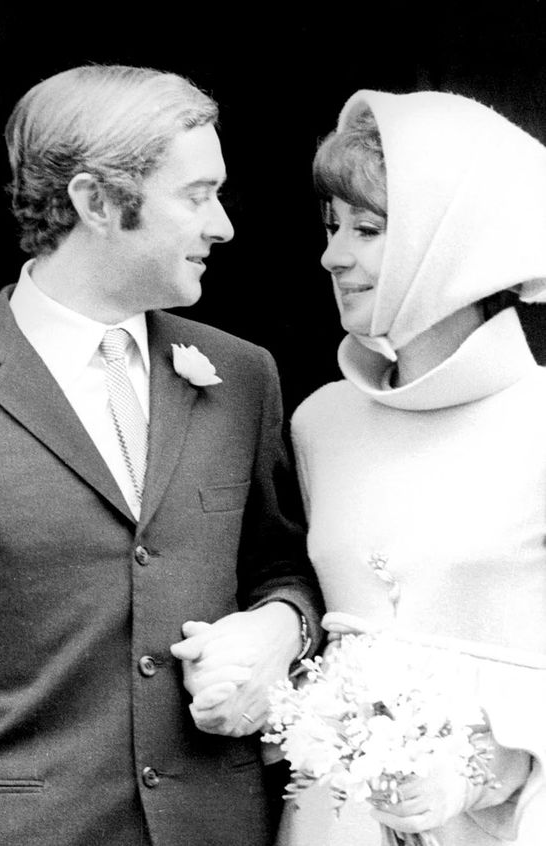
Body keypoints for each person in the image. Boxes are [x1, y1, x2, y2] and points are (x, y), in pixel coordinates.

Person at [0, 64, 324, 846]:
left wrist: (283, 628)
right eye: (197, 195)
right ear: (96, 202)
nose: (223, 226)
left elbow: (283, 565)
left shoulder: (241, 375)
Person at [276, 88, 546, 845]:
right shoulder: (319, 422)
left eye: (367, 229)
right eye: (332, 226)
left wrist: (484, 768)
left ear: (455, 244)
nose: (334, 255)